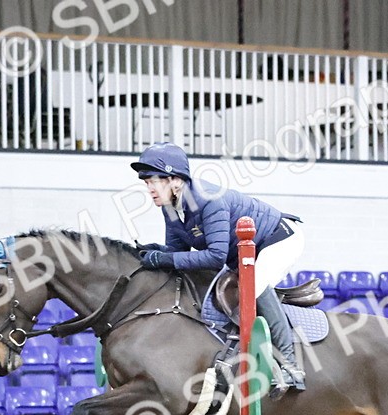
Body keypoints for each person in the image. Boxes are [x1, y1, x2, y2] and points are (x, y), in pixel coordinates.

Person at [129, 142, 307, 398]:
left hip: (280, 238)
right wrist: (153, 252)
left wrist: (164, 259)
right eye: (146, 183)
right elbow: (176, 251)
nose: (149, 189)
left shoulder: (208, 201)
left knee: (253, 287)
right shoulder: (170, 208)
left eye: (154, 181)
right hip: (243, 251)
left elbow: (214, 257)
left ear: (175, 180)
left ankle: (291, 367)